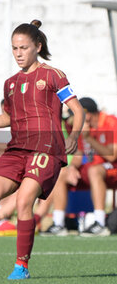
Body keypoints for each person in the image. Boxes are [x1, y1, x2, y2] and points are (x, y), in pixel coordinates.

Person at [0, 19, 84, 280]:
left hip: (46, 148)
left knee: (25, 201)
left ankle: (21, 266)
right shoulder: (11, 83)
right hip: (17, 148)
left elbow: (78, 110)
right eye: (14, 48)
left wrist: (73, 136)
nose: (18, 53)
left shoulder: (53, 75)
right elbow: (9, 118)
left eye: (23, 48)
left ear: (37, 46)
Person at [42, 97, 117, 236]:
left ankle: (99, 223)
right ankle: (59, 224)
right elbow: (79, 153)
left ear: (87, 113)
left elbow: (112, 156)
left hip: (112, 169)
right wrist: (71, 167)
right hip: (93, 170)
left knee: (94, 171)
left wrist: (89, 138)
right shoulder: (84, 126)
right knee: (62, 172)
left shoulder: (110, 122)